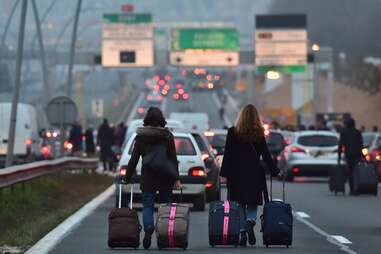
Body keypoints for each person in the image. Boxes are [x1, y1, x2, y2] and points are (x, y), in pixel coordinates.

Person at [220, 104, 280, 246]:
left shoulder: (232, 132)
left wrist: (224, 174)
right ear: (256, 118)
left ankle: (242, 231)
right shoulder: (258, 133)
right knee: (252, 203)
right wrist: (275, 171)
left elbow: (227, 154)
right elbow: (266, 155)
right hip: (254, 173)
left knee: (240, 204)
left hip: (236, 174)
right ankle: (250, 224)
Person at [125, 107, 181, 250]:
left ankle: (149, 227)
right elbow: (173, 158)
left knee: (148, 205)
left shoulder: (141, 137)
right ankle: (163, 236)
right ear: (161, 119)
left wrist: (127, 177)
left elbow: (134, 159)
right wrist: (177, 178)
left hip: (148, 176)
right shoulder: (167, 136)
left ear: (147, 119)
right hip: (165, 176)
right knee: (165, 208)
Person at [338, 118, 363, 195]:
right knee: (356, 172)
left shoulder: (344, 132)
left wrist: (339, 157)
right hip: (357, 154)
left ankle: (352, 190)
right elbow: (361, 144)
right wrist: (363, 156)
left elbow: (340, 145)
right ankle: (357, 188)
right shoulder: (358, 132)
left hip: (348, 154)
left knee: (350, 172)